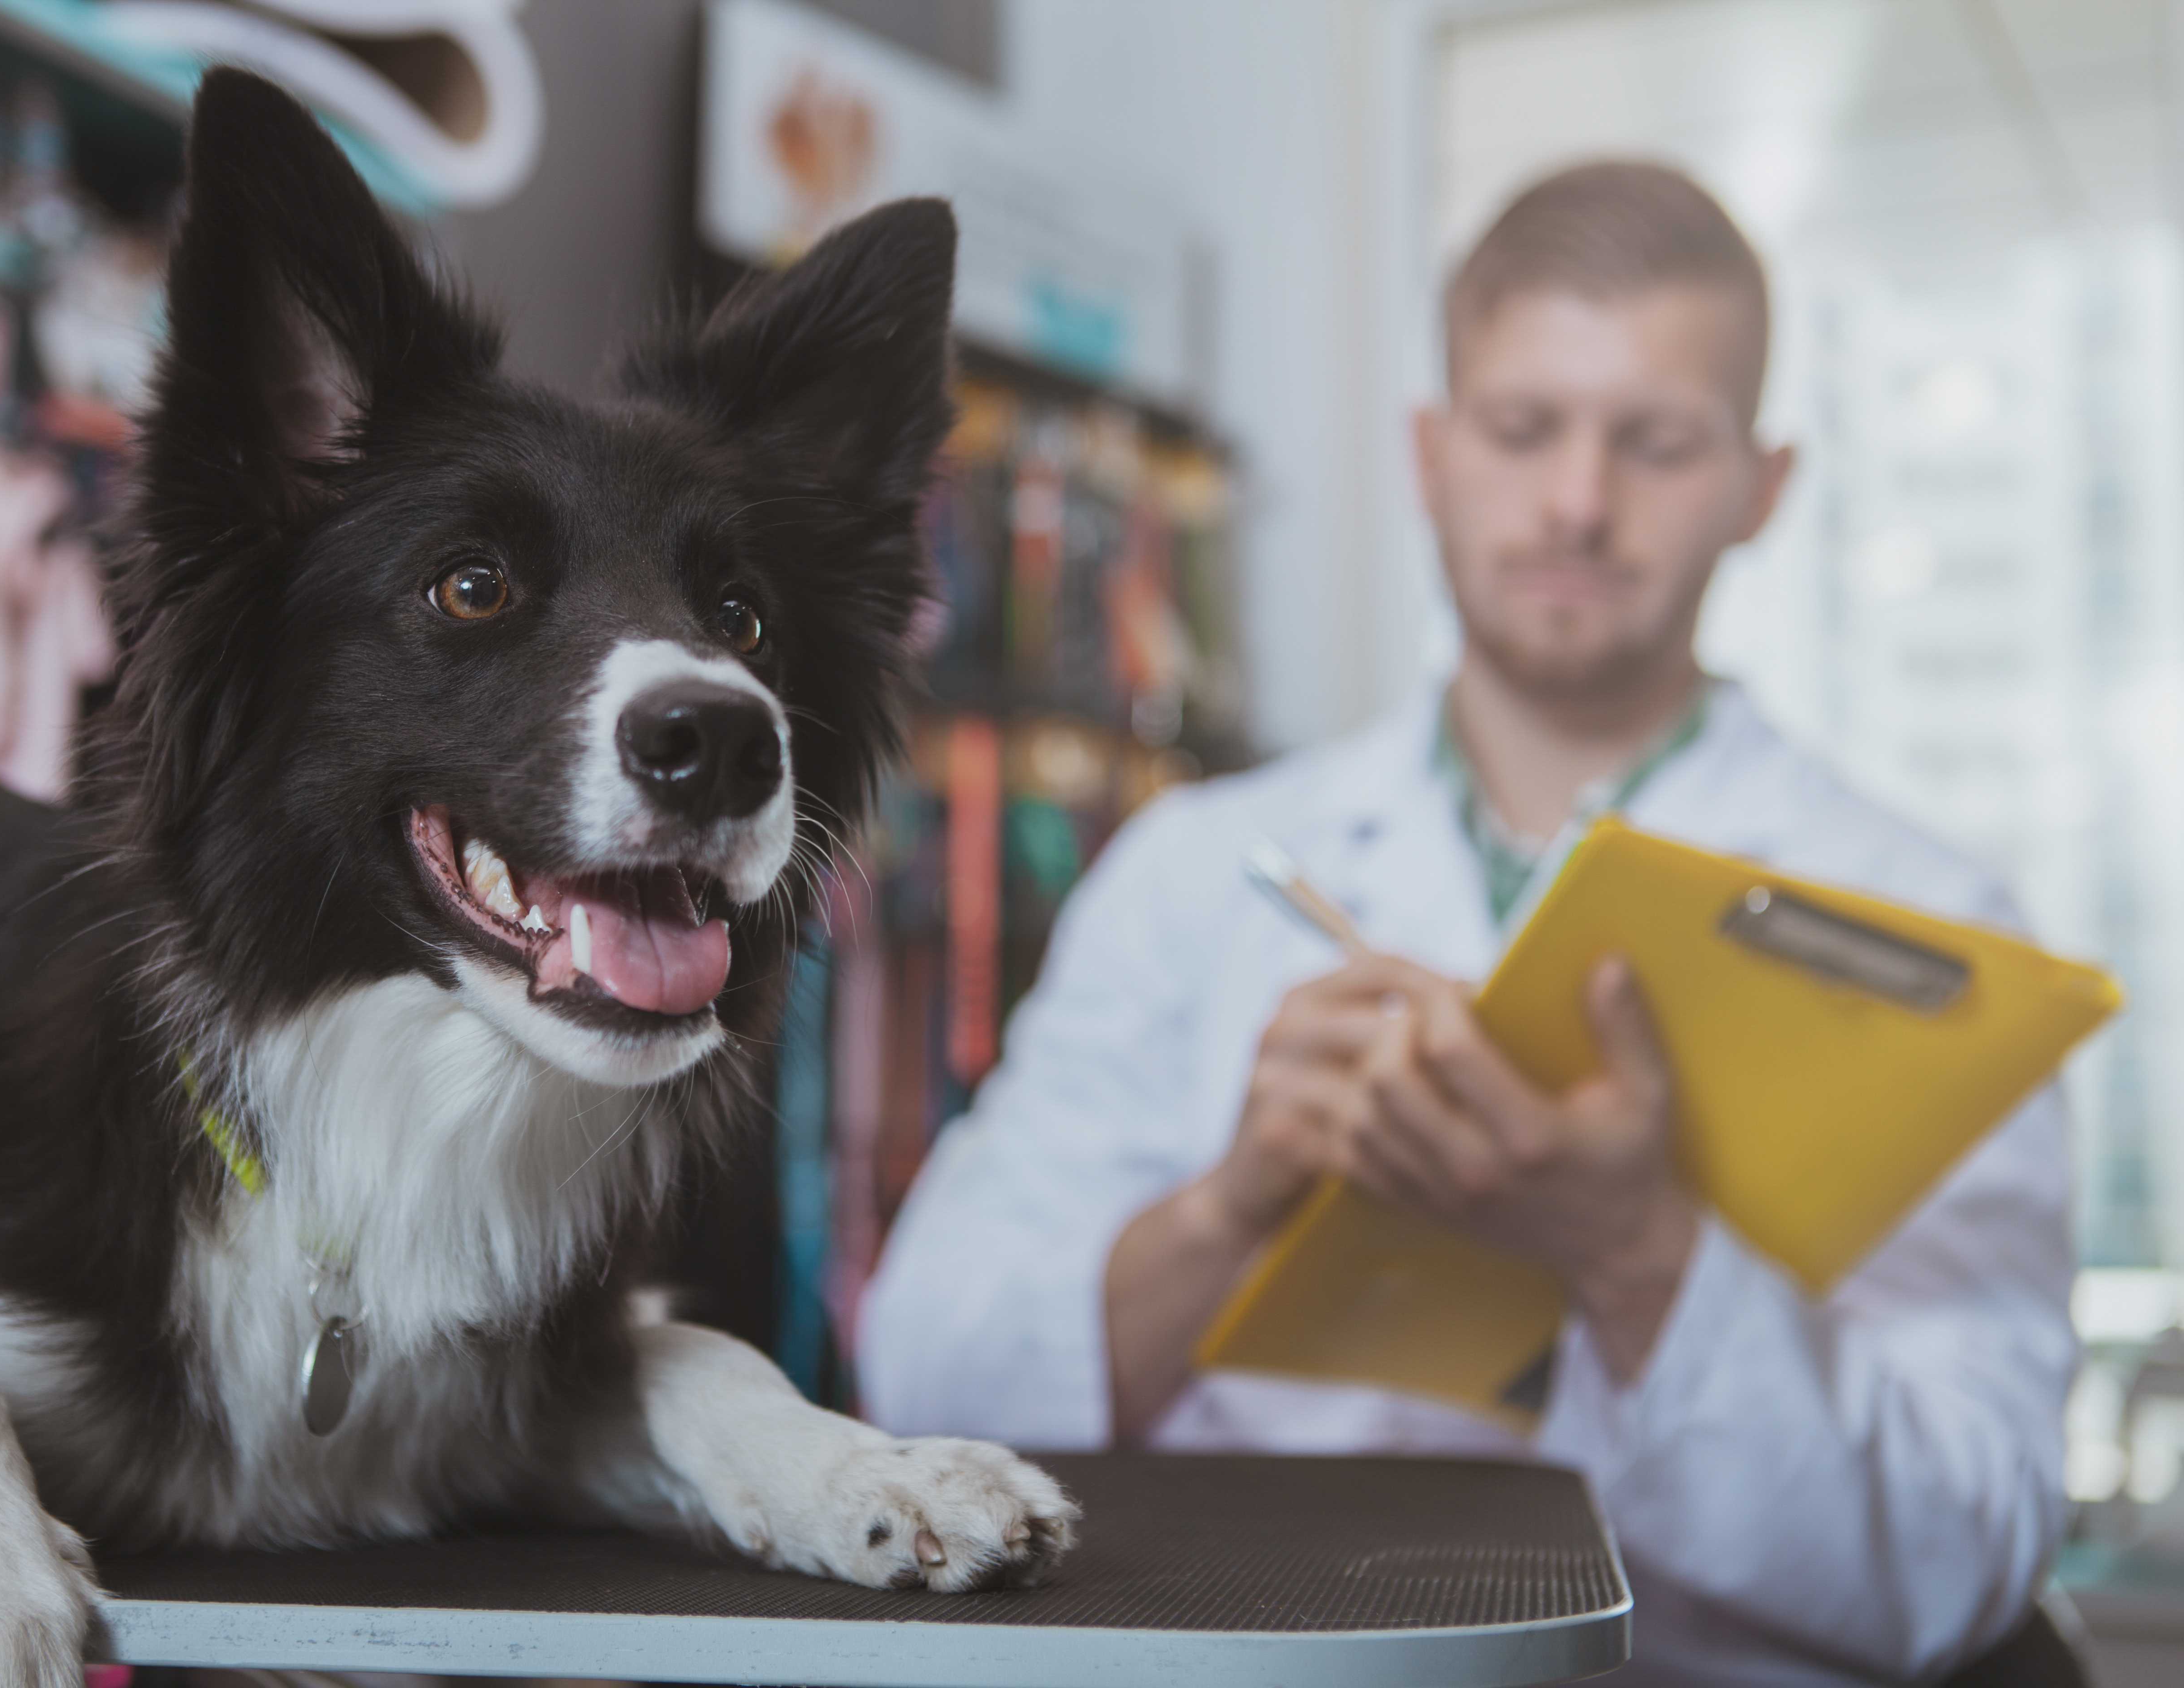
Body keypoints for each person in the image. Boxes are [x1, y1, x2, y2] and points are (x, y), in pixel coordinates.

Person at [858, 161, 2076, 1686]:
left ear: (1766, 491)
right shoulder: (1195, 869)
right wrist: (1237, 1208)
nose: (1578, 500)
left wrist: (1638, 1251)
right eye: (1522, 430)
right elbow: (920, 1379)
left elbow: (1970, 1553)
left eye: (1659, 443)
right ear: (1430, 456)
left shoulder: (1933, 928)